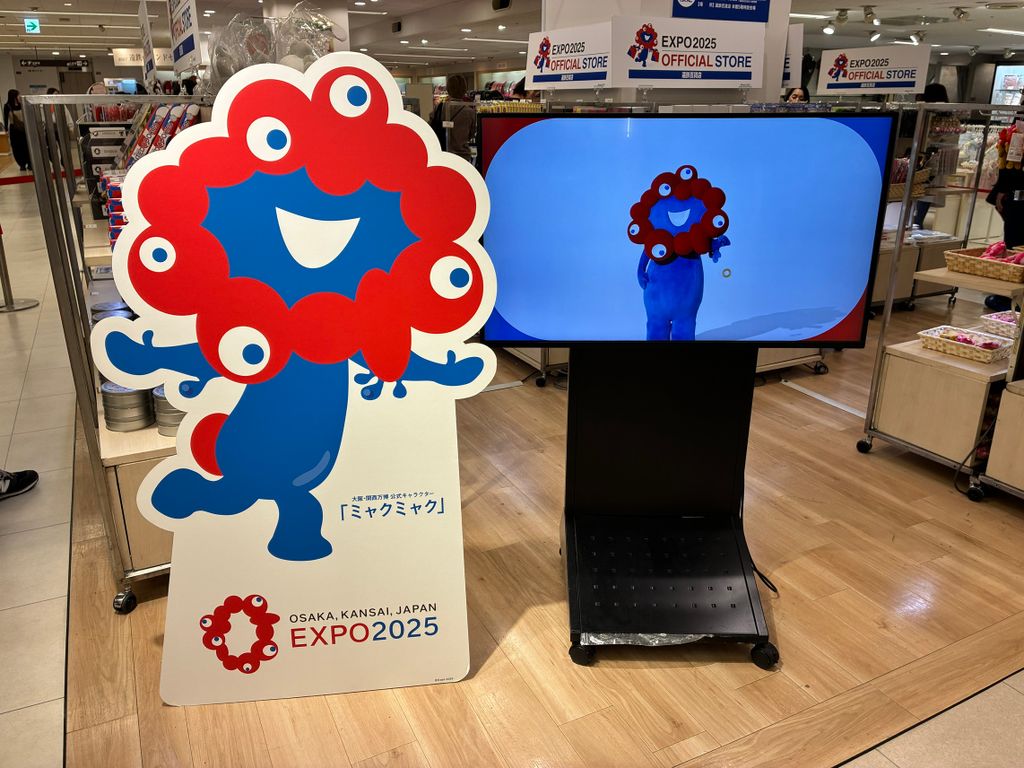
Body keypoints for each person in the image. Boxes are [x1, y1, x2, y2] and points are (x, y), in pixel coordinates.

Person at [441, 74, 475, 164]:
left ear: (448, 89)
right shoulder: (470, 112)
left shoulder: (439, 109)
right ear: (464, 90)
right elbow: (471, 134)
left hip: (444, 153)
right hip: (463, 155)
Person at [3, 89, 30, 171]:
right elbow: (5, 118)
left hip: (24, 129)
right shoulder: (7, 106)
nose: (19, 96)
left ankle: (29, 163)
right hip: (14, 130)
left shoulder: (21, 104)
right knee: (17, 147)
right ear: (14, 96)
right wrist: (6, 129)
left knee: (26, 146)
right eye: (18, 95)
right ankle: (22, 164)